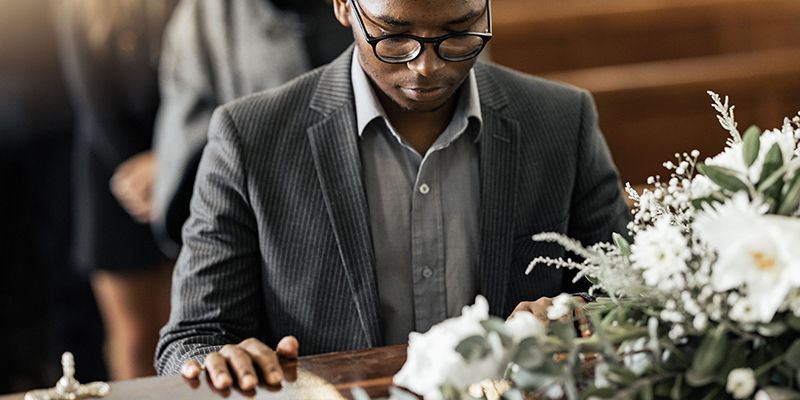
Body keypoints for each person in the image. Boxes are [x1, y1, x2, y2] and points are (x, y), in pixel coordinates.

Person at [156, 0, 630, 390]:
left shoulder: (563, 121)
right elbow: (192, 338)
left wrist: (574, 315)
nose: (426, 67)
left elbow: (625, 298)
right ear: (344, 7)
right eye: (394, 35)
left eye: (459, 32)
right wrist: (220, 360)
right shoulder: (249, 138)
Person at [150, 0, 353, 256]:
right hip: (263, 228)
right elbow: (187, 132)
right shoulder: (206, 16)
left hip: (367, 208)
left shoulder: (372, 9)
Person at [54, 0, 178, 379]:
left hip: (184, 167)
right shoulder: (77, 7)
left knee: (181, 327)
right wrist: (140, 173)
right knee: (133, 337)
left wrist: (169, 162)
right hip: (112, 178)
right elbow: (92, 100)